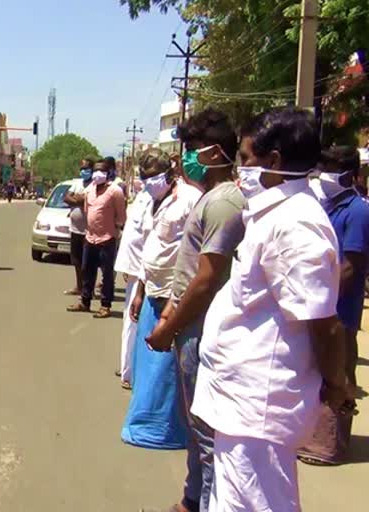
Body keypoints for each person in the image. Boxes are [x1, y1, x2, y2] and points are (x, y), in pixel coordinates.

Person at [192, 109, 351, 511]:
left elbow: (323, 323)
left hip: (260, 406)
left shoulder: (296, 225)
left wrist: (335, 386)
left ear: (274, 162)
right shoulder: (273, 214)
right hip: (240, 402)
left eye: (245, 158)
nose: (240, 168)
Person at [145, 109, 244, 512]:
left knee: (206, 432)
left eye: (191, 151)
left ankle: (205, 503)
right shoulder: (210, 199)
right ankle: (192, 497)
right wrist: (170, 315)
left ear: (216, 153)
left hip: (204, 329)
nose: (185, 160)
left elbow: (206, 280)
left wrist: (171, 326)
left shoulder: (224, 204)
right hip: (188, 324)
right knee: (194, 423)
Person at [121, 148, 201, 449]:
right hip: (151, 290)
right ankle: (142, 422)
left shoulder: (189, 200)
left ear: (170, 174)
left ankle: (168, 431)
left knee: (167, 370)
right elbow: (149, 250)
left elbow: (193, 255)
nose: (148, 183)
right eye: (144, 178)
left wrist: (175, 302)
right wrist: (139, 291)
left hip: (173, 295)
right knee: (145, 363)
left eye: (153, 177)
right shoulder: (152, 201)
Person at [298, 146, 369, 465]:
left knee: (342, 371)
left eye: (332, 167)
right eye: (323, 165)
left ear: (350, 173)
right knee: (320, 371)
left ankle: (333, 444)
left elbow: (351, 265)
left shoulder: (358, 211)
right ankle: (315, 438)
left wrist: (322, 298)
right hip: (321, 305)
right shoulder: (326, 206)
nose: (325, 173)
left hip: (341, 310)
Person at [67, 162, 126, 318]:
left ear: (108, 173)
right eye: (96, 170)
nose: (97, 173)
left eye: (102, 171)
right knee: (87, 270)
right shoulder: (90, 190)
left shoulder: (115, 191)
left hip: (107, 239)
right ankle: (85, 301)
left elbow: (121, 216)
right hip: (90, 237)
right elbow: (85, 207)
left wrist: (114, 230)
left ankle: (105, 305)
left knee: (106, 274)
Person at [113, 180, 152, 389]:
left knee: (139, 322)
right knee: (131, 323)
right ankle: (127, 368)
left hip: (148, 273)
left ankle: (133, 371)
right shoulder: (142, 197)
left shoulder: (164, 199)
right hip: (135, 269)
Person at [63, 159, 94, 295]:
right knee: (76, 260)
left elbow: (90, 200)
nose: (83, 171)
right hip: (75, 229)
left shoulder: (95, 185)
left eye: (86, 168)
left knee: (88, 263)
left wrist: (78, 200)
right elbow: (66, 198)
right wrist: (79, 200)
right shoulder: (76, 184)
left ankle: (89, 289)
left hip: (90, 231)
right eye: (82, 168)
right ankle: (79, 286)